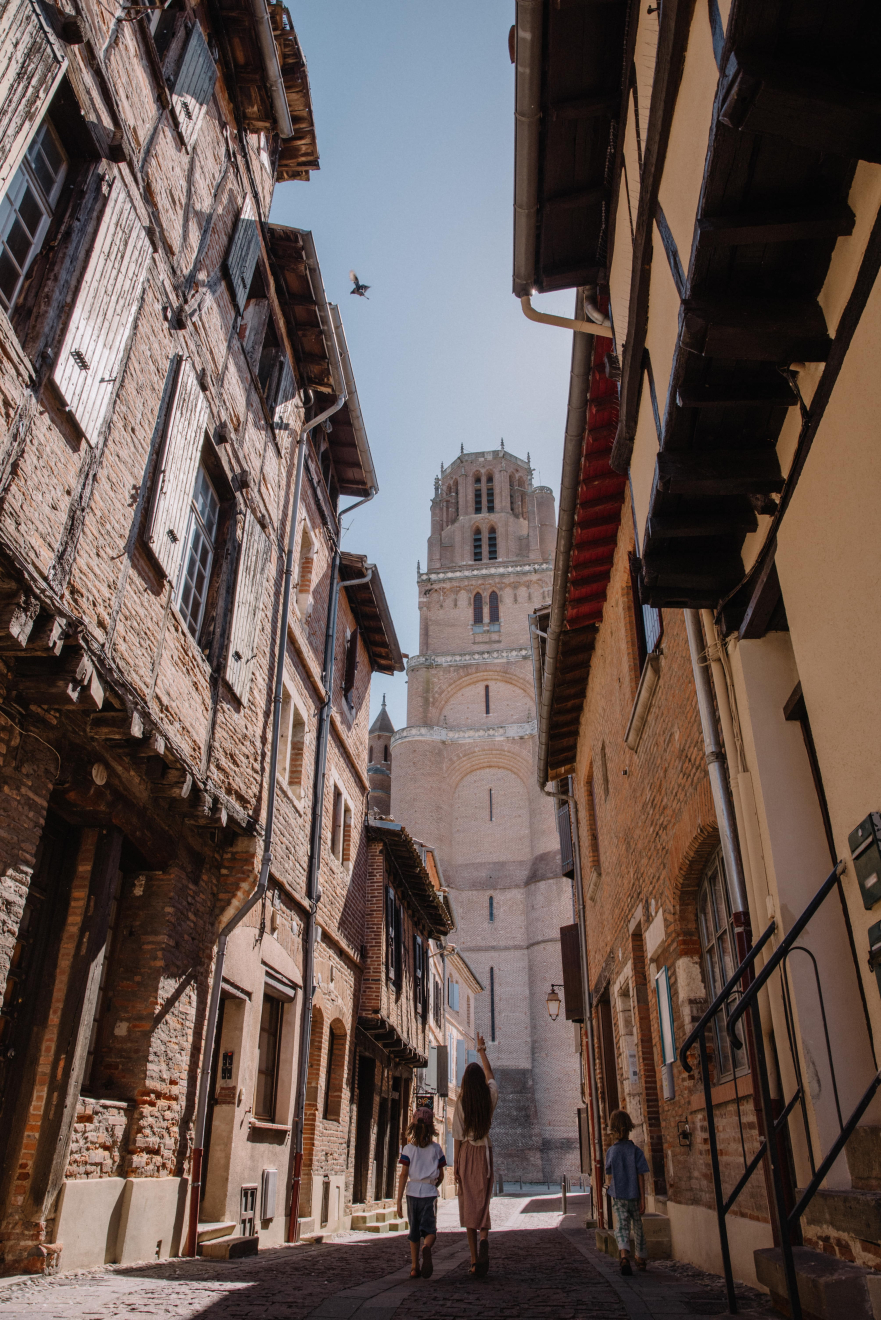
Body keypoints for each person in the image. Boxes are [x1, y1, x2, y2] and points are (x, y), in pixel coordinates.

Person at [453, 1031, 498, 1279]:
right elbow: (491, 1079)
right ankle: (484, 1238)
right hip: (485, 1153)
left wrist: (457, 1165)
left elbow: (458, 1136)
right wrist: (482, 1052)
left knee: (468, 1204)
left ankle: (473, 1260)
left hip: (468, 1153)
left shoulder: (460, 1102)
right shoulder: (489, 1097)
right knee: (483, 1201)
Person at [396, 1105, 446, 1279]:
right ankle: (427, 1248)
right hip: (429, 1192)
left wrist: (398, 1201)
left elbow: (403, 1175)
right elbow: (441, 1175)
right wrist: (433, 1185)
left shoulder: (408, 1150)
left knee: (414, 1231)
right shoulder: (436, 1149)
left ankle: (414, 1266)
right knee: (430, 1231)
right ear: (431, 1127)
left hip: (412, 1192)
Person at [605, 1108, 650, 1275]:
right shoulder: (636, 1151)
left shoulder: (611, 1151)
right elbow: (640, 1175)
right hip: (634, 1195)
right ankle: (641, 1257)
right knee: (638, 1226)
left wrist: (610, 1188)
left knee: (621, 1226)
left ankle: (624, 1255)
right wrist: (643, 1199)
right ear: (629, 1128)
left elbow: (609, 1174)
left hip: (618, 1195)